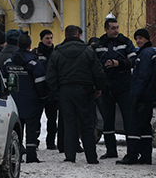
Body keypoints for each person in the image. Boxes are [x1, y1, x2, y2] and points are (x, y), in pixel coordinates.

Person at [46, 25, 107, 164]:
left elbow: (50, 75)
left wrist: (58, 89)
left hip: (65, 90)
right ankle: (91, 157)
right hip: (84, 90)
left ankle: (70, 156)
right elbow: (98, 72)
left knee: (69, 124)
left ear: (66, 35)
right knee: (87, 124)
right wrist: (98, 88)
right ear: (78, 35)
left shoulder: (57, 52)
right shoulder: (88, 51)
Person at [2, 34, 48, 163]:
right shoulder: (34, 63)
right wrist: (43, 97)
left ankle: (16, 156)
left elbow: (4, 82)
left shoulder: (8, 62)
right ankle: (31, 156)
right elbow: (40, 84)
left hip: (13, 101)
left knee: (16, 130)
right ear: (30, 46)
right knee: (31, 130)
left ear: (17, 45)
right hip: (31, 101)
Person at [117, 28, 156, 165]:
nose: (138, 40)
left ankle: (132, 155)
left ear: (147, 39)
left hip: (142, 97)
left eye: (141, 38)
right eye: (136, 38)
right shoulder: (149, 53)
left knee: (134, 127)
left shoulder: (145, 54)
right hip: (148, 97)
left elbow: (142, 77)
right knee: (145, 128)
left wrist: (136, 97)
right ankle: (146, 156)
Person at [95, 17, 136, 159]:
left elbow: (133, 61)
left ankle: (131, 152)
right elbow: (94, 65)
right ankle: (111, 150)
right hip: (107, 87)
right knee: (108, 120)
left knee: (128, 119)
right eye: (113, 28)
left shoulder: (125, 43)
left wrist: (118, 63)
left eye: (117, 27)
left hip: (124, 85)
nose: (116, 30)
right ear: (106, 29)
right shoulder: (99, 45)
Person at [32, 29, 60, 150]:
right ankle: (34, 141)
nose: (49, 41)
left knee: (52, 119)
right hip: (38, 91)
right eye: (47, 38)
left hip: (52, 91)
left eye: (51, 38)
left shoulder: (56, 52)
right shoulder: (36, 53)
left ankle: (50, 142)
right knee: (36, 118)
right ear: (41, 39)